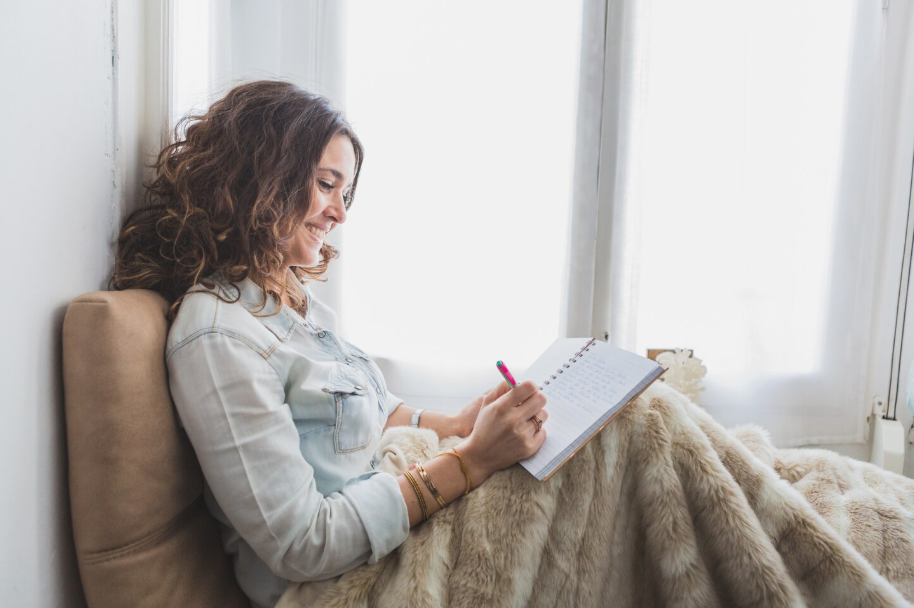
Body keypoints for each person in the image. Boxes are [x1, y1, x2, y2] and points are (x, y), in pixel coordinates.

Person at [112, 80, 549, 608]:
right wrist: (473, 460)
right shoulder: (218, 336)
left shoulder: (288, 297)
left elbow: (360, 408)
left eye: (345, 193)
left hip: (392, 533)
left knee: (612, 435)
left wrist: (455, 425)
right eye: (325, 184)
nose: (340, 213)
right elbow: (303, 544)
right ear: (260, 176)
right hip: (348, 583)